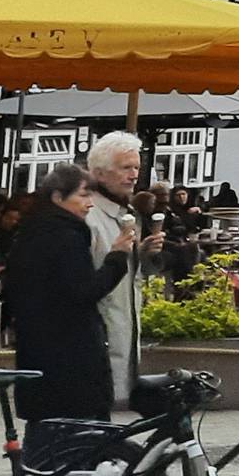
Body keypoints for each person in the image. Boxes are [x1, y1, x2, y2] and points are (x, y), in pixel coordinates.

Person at [2, 164, 131, 422]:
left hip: (39, 352)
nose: (90, 204)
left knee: (48, 436)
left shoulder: (31, 231)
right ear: (58, 197)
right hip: (70, 358)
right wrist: (116, 259)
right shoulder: (64, 236)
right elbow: (84, 291)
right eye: (83, 196)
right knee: (82, 439)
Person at [82, 132, 147, 405]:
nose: (133, 175)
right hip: (99, 340)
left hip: (125, 336)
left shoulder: (128, 215)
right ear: (99, 173)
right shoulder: (89, 217)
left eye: (136, 168)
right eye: (125, 168)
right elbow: (87, 282)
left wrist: (144, 255)